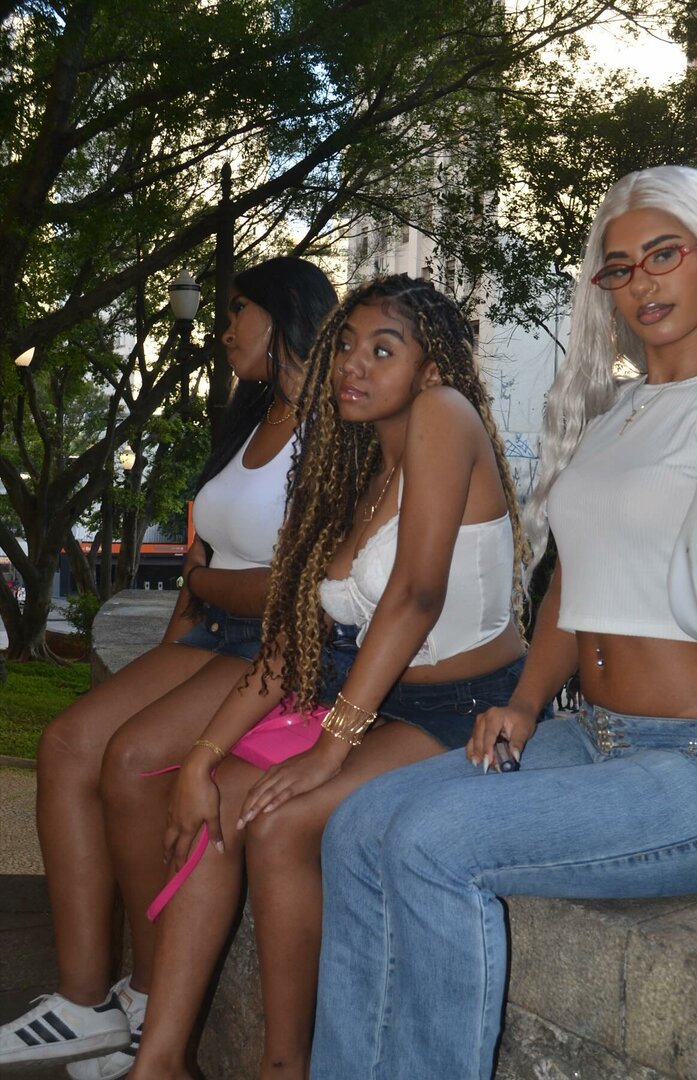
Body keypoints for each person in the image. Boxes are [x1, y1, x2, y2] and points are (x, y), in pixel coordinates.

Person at [308, 166, 697, 1080]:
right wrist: (524, 701)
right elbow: (568, 588)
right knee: (358, 826)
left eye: (665, 256)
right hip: (589, 739)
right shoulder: (617, 415)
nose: (641, 283)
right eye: (619, 268)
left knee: (433, 845)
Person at [126, 274, 540, 1080]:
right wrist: (206, 755)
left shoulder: (444, 413)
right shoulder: (362, 468)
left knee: (283, 821)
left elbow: (416, 595)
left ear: (430, 367)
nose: (352, 363)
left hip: (461, 710)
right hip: (385, 704)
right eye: (346, 345)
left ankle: (286, 1066)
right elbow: (295, 637)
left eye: (383, 350)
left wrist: (331, 748)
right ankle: (159, 1063)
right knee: (215, 806)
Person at [0, 257, 337, 1076]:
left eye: (236, 311)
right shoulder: (249, 415)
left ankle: (148, 1003)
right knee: (68, 744)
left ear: (282, 316)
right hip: (210, 633)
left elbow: (301, 588)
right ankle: (85, 1002)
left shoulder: (338, 429)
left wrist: (204, 584)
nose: (223, 330)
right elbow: (204, 551)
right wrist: (172, 643)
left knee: (132, 759)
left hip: (279, 644)